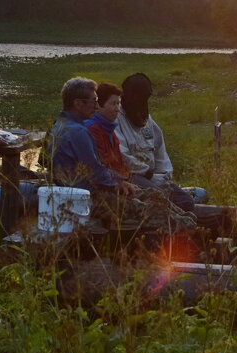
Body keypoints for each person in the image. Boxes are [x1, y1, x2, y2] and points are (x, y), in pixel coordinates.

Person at [50, 76, 196, 236]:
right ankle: (190, 230)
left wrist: (119, 181)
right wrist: (119, 183)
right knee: (156, 208)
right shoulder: (78, 131)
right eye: (93, 101)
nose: (96, 106)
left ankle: (187, 223)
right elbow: (95, 174)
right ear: (78, 104)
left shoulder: (59, 125)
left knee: (152, 195)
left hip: (83, 193)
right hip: (89, 198)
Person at [116, 73, 203, 213]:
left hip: (154, 177)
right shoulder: (116, 118)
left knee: (186, 201)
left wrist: (164, 175)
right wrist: (149, 174)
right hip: (132, 176)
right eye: (135, 97)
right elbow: (122, 157)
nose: (138, 101)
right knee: (160, 200)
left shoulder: (147, 120)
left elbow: (160, 151)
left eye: (143, 98)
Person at [85, 82, 131, 181]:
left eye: (118, 104)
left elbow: (119, 164)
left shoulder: (109, 129)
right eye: (113, 104)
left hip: (118, 180)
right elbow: (101, 166)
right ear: (98, 105)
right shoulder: (93, 129)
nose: (117, 109)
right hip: (104, 185)